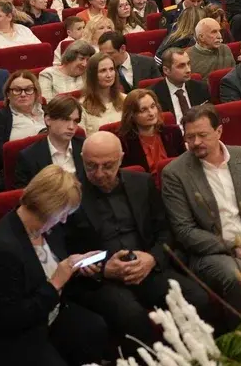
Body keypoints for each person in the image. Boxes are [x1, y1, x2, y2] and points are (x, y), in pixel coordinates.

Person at [64, 131, 210, 344]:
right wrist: (104, 269)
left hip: (147, 268)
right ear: (81, 160)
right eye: (91, 166)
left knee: (197, 298)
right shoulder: (69, 193)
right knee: (132, 316)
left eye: (108, 166)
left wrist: (151, 259)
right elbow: (64, 251)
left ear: (121, 159)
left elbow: (165, 230)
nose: (99, 173)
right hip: (102, 280)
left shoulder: (141, 183)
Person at [0, 164, 110, 366]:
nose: (64, 220)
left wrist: (74, 266)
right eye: (63, 212)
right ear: (49, 207)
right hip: (13, 336)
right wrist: (56, 282)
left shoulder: (46, 228)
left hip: (48, 315)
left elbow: (49, 269)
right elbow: (11, 319)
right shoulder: (4, 250)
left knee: (95, 328)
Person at [160, 103, 241, 318]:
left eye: (202, 135)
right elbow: (185, 231)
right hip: (212, 252)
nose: (196, 142)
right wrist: (235, 248)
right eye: (190, 137)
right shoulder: (175, 173)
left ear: (219, 131)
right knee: (239, 274)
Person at [0, 71, 47, 171]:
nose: (23, 94)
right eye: (17, 90)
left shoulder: (49, 112)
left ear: (36, 93)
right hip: (21, 170)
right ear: (8, 94)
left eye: (29, 89)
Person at [14, 95, 87, 187]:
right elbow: (26, 194)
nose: (71, 127)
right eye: (65, 119)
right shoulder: (29, 157)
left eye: (75, 121)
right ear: (48, 120)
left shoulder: (85, 147)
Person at [118, 88, 184, 171]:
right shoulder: (124, 143)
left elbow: (185, 164)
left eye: (153, 106)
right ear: (132, 115)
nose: (151, 113)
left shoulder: (173, 132)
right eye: (143, 110)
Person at [151, 47, 211, 119]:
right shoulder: (153, 96)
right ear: (166, 70)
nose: (188, 70)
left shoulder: (201, 88)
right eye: (181, 66)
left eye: (188, 64)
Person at [80, 52, 126, 133]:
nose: (109, 75)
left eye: (111, 69)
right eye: (103, 71)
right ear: (93, 75)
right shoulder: (82, 107)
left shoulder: (126, 100)